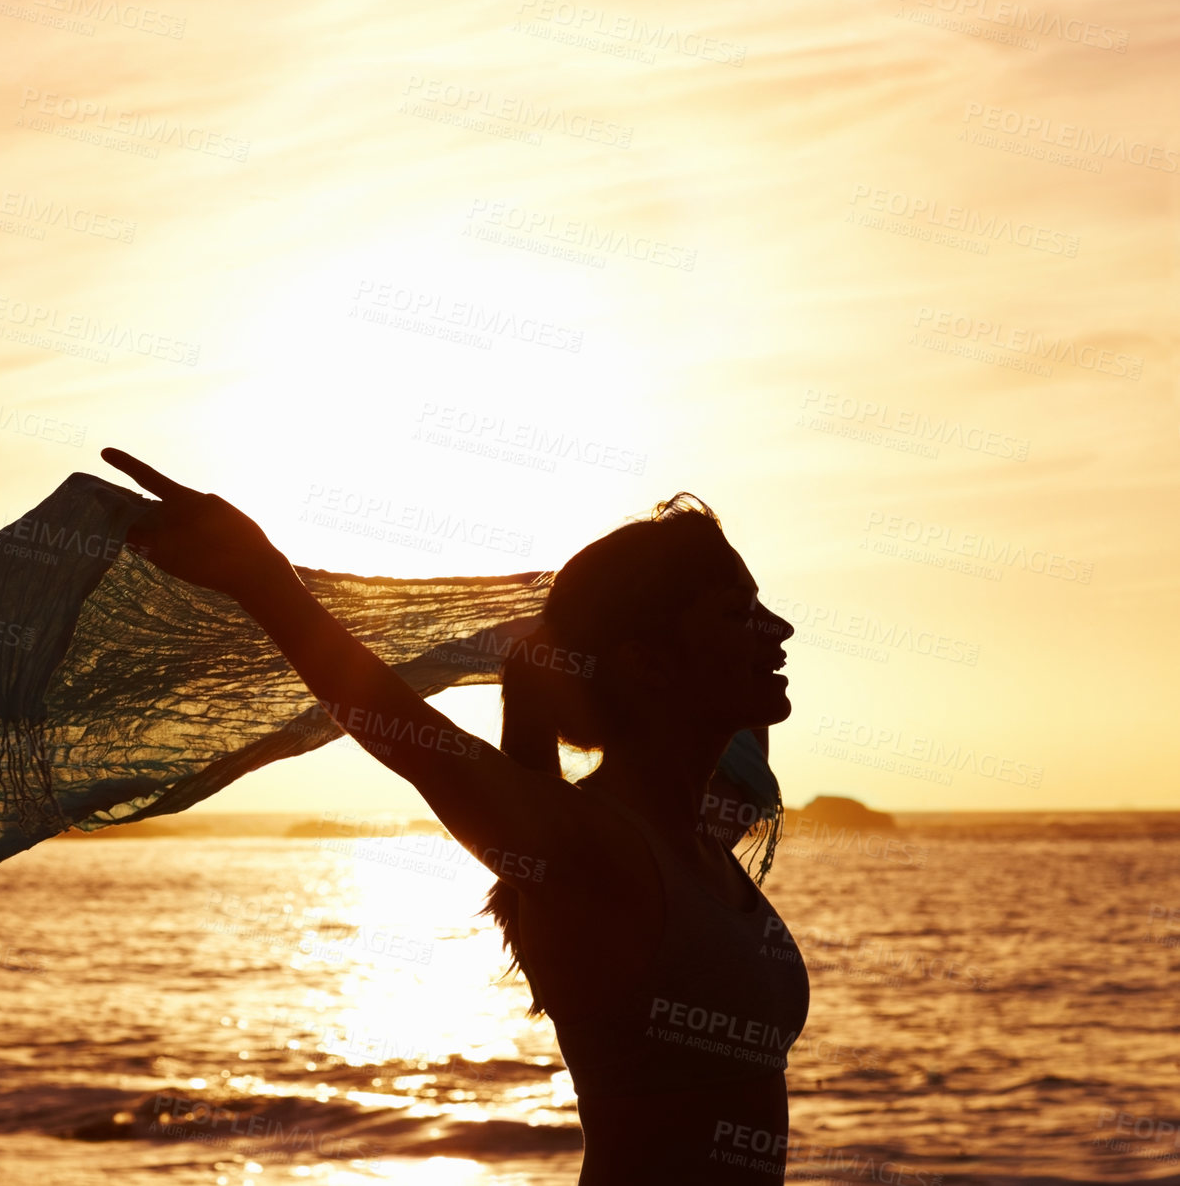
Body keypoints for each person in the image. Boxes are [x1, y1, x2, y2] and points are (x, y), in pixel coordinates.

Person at [99, 447, 805, 1184]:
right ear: (646, 663)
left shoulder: (702, 832)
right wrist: (260, 577)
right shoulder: (586, 847)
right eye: (738, 613)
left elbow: (728, 728)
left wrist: (559, 648)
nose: (779, 629)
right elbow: (397, 725)